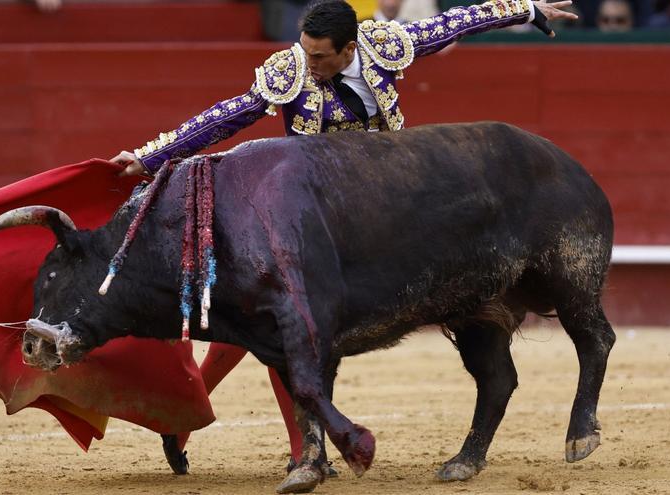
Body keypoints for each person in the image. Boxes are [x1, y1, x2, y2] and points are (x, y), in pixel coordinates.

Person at [109, 0, 577, 475]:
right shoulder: (290, 70)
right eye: (304, 51)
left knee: (262, 325)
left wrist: (527, 10)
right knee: (270, 321)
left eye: (317, 56)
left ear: (349, 48)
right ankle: (277, 445)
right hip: (312, 214)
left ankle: (189, 420)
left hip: (377, 208)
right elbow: (227, 115)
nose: (305, 63)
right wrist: (151, 157)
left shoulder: (384, 47)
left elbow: (457, 22)